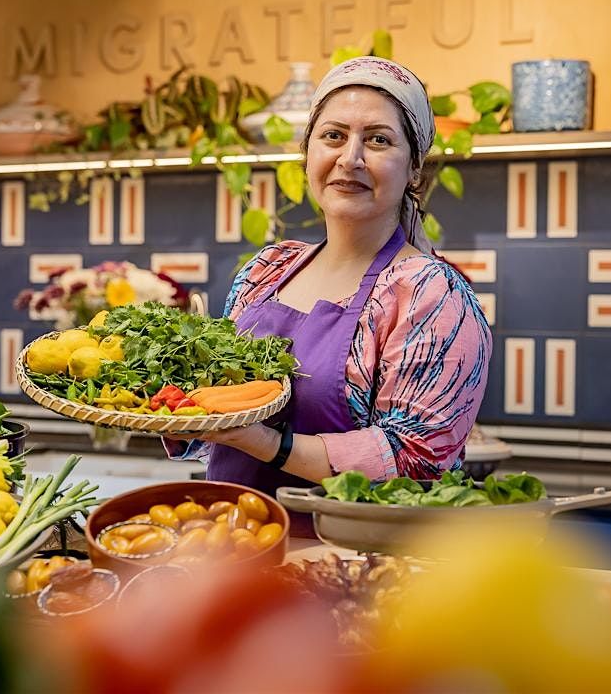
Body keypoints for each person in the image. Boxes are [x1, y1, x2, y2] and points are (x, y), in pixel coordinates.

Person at [168, 56, 491, 524]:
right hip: (234, 547)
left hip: (357, 566)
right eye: (333, 136)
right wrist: (171, 402)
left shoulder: (428, 294)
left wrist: (268, 444)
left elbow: (417, 460)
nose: (350, 158)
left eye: (378, 140)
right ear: (308, 154)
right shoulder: (266, 270)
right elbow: (220, 405)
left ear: (415, 170)